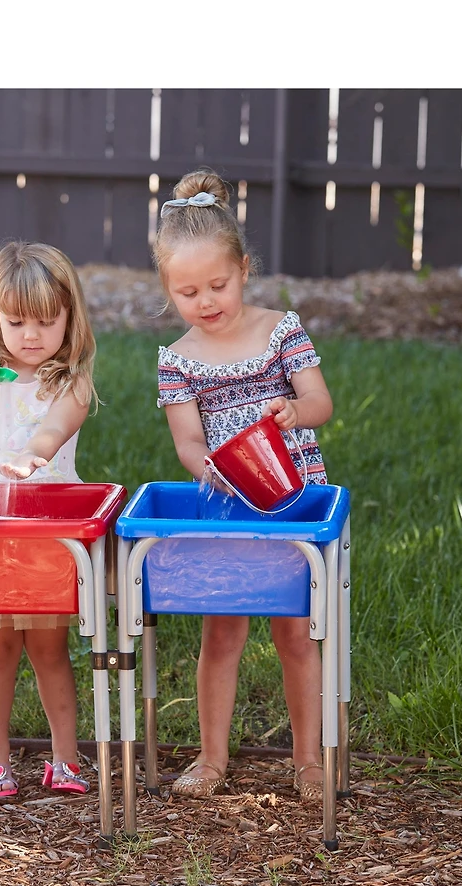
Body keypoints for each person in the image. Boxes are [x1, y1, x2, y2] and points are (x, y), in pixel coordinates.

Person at [153, 169, 333, 803]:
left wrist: (293, 412)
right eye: (188, 291)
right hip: (228, 506)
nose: (206, 301)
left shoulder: (280, 330)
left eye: (218, 285)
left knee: (296, 632)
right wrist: (209, 468)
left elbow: (320, 402)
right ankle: (212, 756)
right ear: (169, 289)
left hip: (293, 498)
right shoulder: (177, 359)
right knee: (222, 633)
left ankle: (308, 760)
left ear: (244, 269)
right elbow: (187, 441)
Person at [0, 240, 98, 801]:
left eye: (46, 321)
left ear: (69, 318)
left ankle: (64, 757)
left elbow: (54, 428)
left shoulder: (72, 382)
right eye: (16, 322)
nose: (31, 335)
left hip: (46, 526)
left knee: (50, 649)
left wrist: (34, 454)